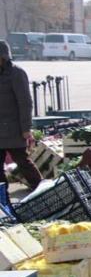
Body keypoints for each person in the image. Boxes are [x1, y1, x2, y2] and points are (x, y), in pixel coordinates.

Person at [0, 41, 42, 188]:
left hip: (13, 128)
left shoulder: (16, 73)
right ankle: (3, 199)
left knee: (23, 162)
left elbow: (25, 103)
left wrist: (26, 128)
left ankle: (41, 189)